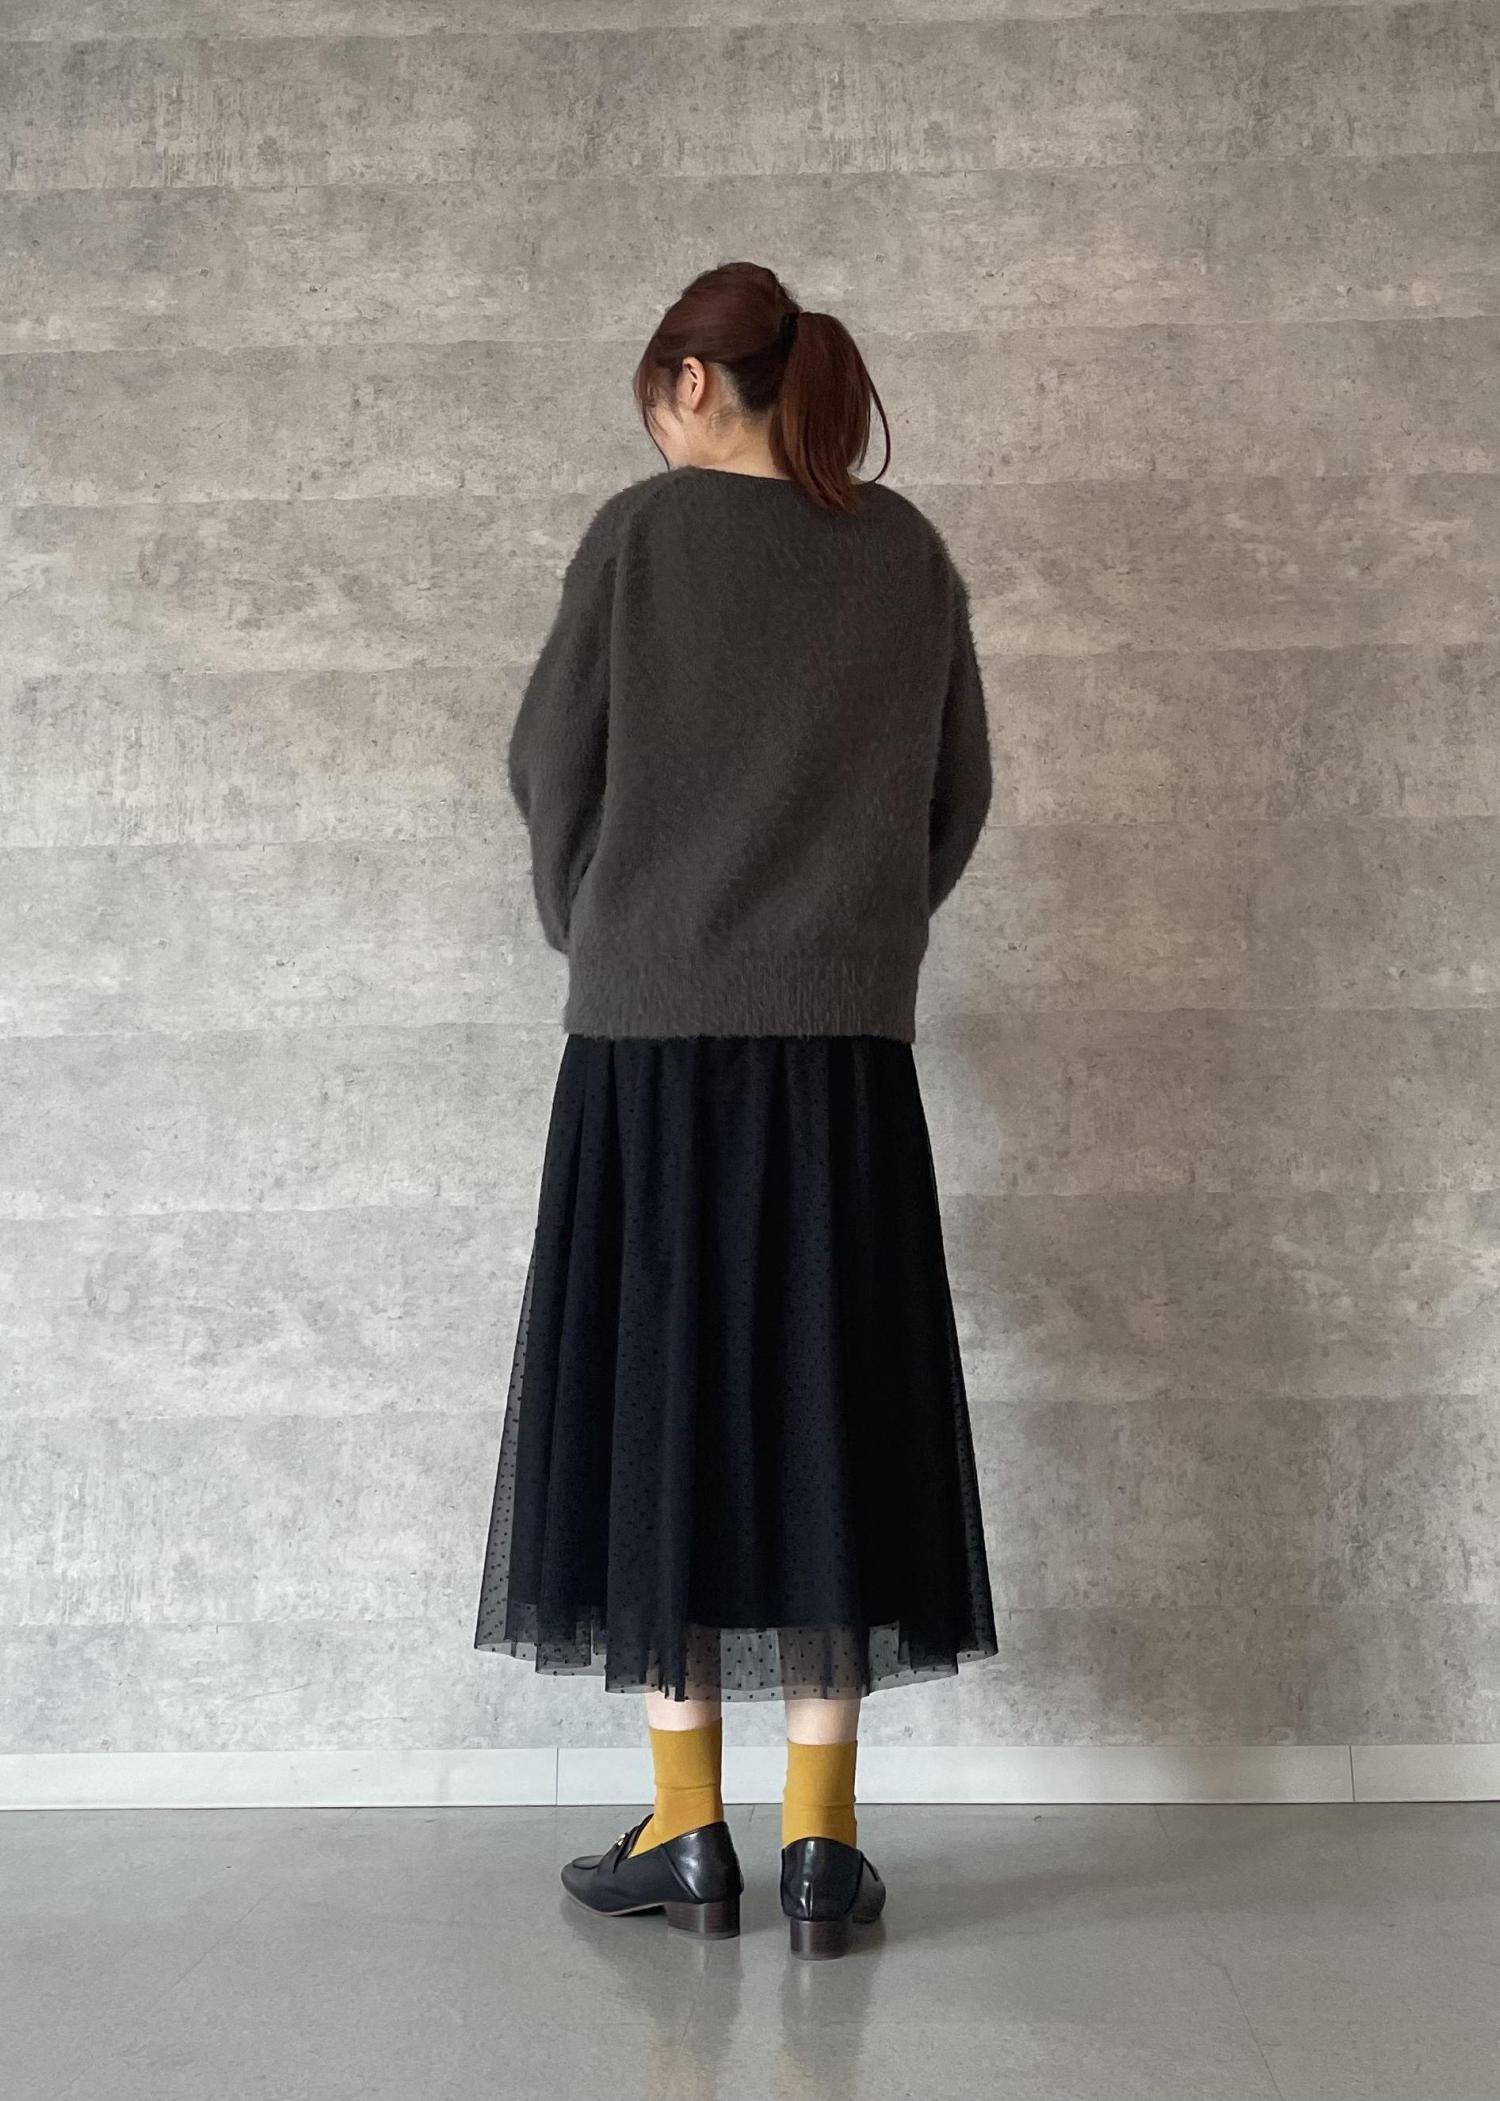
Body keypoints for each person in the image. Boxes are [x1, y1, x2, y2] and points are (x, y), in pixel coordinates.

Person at [473, 260, 998, 1960]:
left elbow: (549, 765)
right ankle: (824, 1845)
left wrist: (603, 926)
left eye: (653, 389)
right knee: (830, 1407)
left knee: (663, 1409)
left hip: (650, 1048)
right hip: (843, 1055)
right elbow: (954, 798)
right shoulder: (905, 556)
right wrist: (856, 936)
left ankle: (688, 1827)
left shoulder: (639, 540)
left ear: (693, 382)